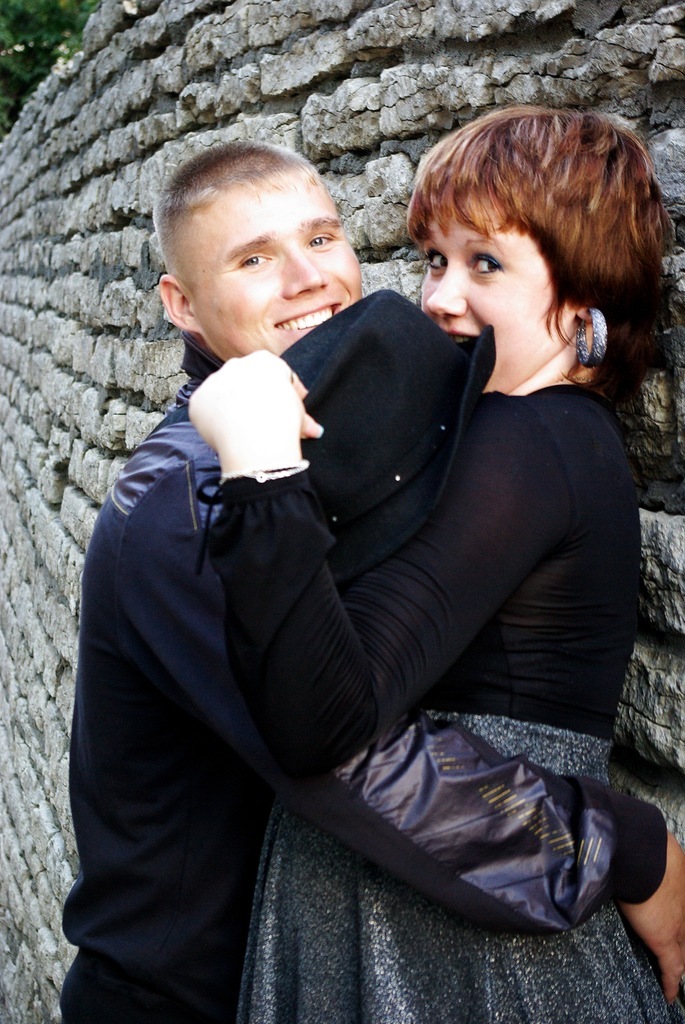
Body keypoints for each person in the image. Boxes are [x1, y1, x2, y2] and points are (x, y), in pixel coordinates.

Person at [188, 109, 685, 1023]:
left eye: (484, 263)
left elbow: (321, 722)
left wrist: (259, 467)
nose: (439, 299)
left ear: (585, 295)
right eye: (432, 260)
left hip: (465, 930)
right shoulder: (502, 430)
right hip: (422, 894)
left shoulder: (533, 438)